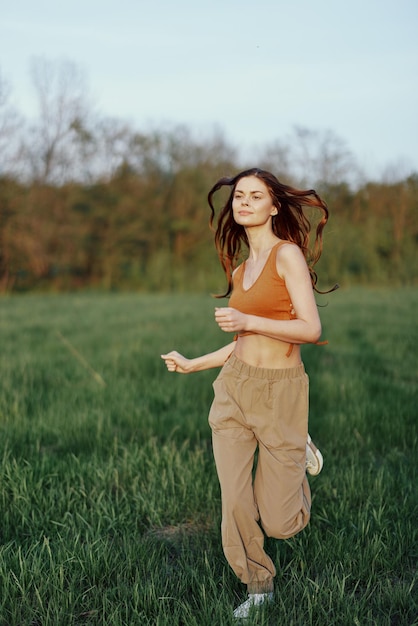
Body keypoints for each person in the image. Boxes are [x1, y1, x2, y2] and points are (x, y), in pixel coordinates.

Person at [161, 167, 334, 620]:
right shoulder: (241, 269)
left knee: (280, 521)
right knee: (234, 499)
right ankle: (258, 585)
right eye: (239, 195)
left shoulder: (286, 256)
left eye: (256, 196)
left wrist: (249, 321)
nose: (244, 202)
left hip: (281, 394)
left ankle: (299, 454)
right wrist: (194, 363)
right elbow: (242, 342)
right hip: (235, 390)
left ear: (274, 206)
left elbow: (312, 329)